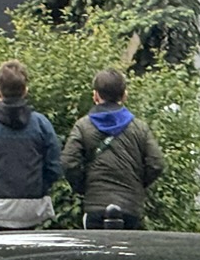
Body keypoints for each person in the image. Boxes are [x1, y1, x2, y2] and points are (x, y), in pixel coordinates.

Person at [61, 68, 165, 230]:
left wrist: (84, 186)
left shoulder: (82, 126)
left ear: (95, 96)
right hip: (130, 207)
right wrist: (137, 184)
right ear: (124, 95)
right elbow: (156, 163)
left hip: (96, 205)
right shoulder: (139, 128)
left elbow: (69, 163)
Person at [0, 60, 62, 232]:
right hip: (32, 207)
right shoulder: (40, 123)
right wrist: (40, 188)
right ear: (25, 91)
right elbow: (54, 166)